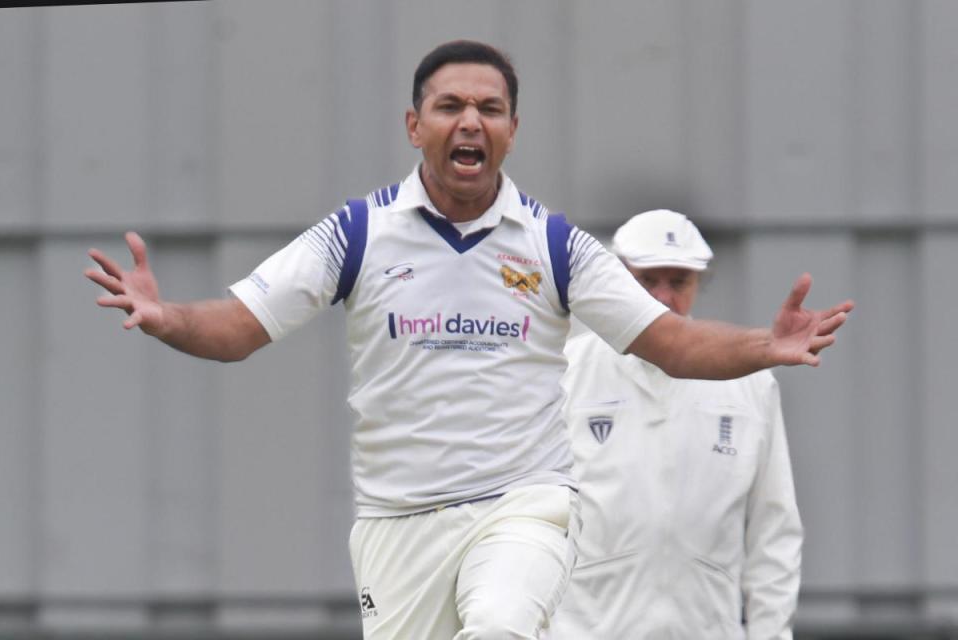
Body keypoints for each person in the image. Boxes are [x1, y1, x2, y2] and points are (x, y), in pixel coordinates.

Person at [85, 40, 851, 640]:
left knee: (499, 625)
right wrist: (168, 319)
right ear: (414, 125)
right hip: (397, 522)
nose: (470, 121)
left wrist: (763, 345)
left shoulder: (557, 246)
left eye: (489, 107)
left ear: (512, 131)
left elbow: (672, 346)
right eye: (450, 105)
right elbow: (240, 330)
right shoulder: (356, 233)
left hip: (523, 507)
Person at [549, 209, 803, 640]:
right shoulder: (568, 373)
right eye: (648, 280)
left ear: (698, 282)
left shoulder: (750, 383)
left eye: (679, 281)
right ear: (618, 276)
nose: (663, 298)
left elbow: (773, 532)